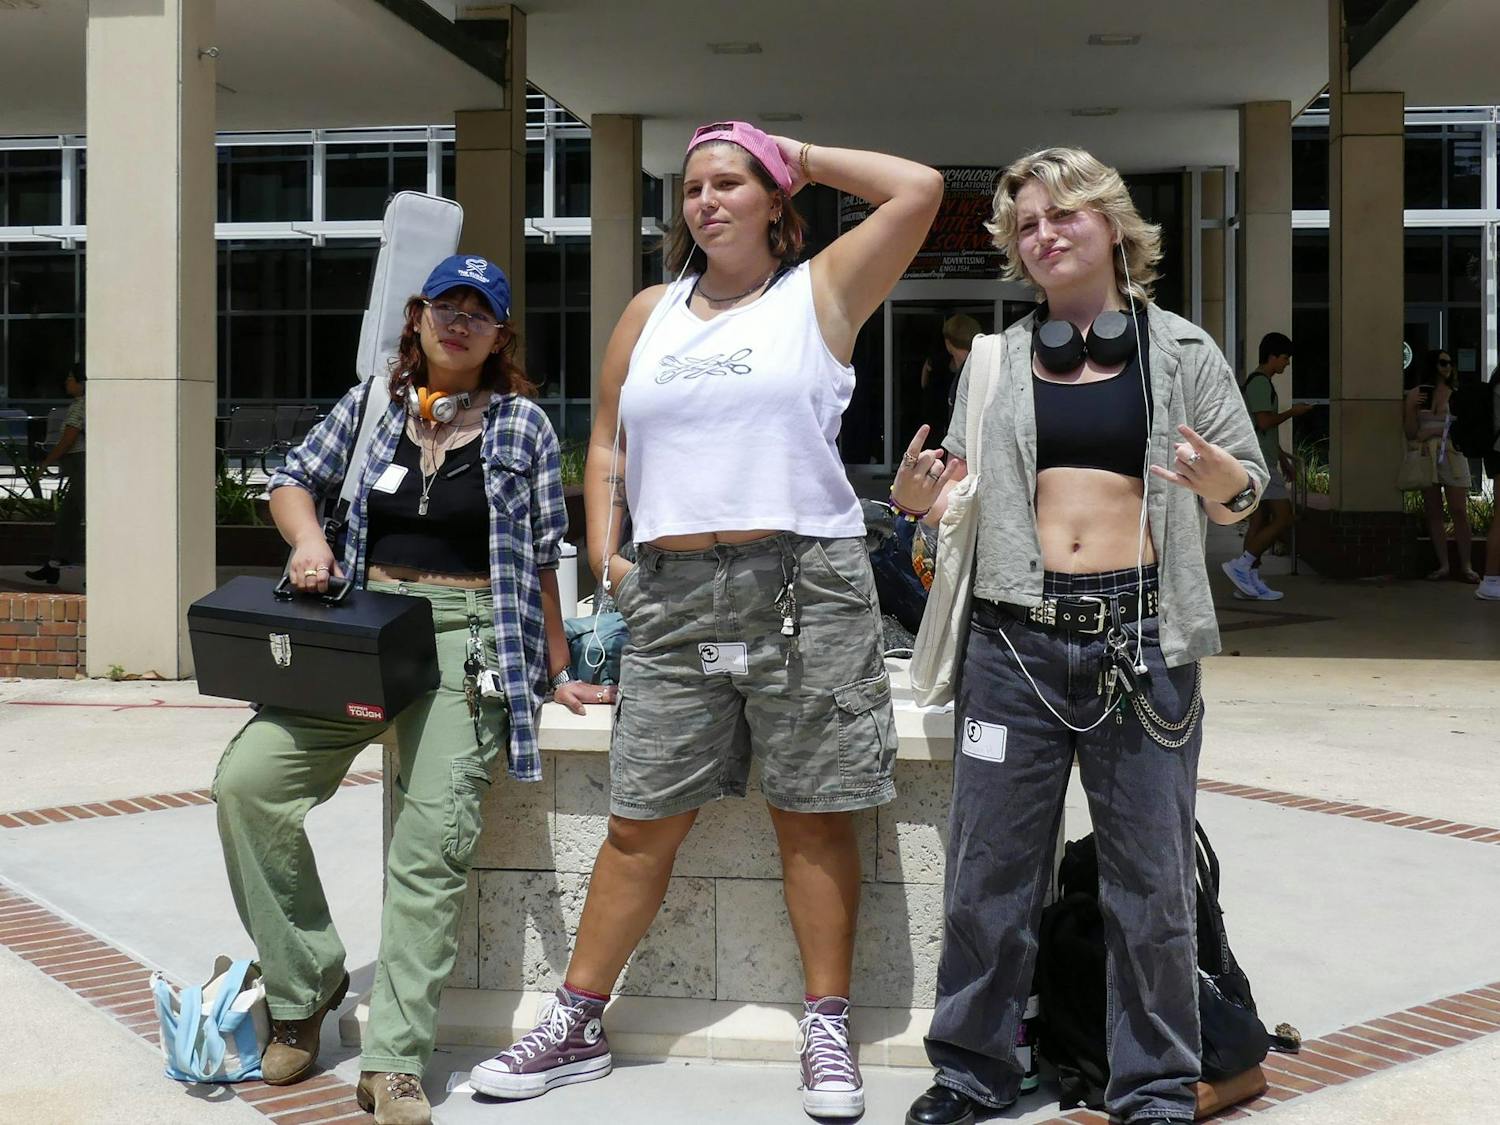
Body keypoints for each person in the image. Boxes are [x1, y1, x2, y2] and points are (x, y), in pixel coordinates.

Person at [470, 121, 943, 1120]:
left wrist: (802, 153)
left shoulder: (819, 291)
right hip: (673, 593)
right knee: (640, 818)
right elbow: (604, 449)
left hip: (803, 583)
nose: (707, 201)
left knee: (813, 817)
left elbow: (918, 189)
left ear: (775, 201)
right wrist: (607, 556)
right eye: (692, 188)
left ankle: (826, 1024)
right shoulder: (650, 311)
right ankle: (578, 1019)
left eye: (731, 183)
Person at [903, 147, 1266, 1125]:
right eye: (1026, 224)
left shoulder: (1183, 353)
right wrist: (920, 506)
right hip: (1014, 643)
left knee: (1149, 890)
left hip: (1143, 643)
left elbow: (1250, 489)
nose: (1045, 233)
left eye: (1063, 215)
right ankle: (970, 1074)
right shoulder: (996, 363)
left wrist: (1216, 481)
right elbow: (959, 508)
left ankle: (1152, 1088)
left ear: (1113, 226)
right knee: (988, 881)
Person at [211, 255, 604, 1125]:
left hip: (470, 641)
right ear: (417, 318)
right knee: (247, 785)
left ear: (500, 335)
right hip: (361, 629)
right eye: (444, 305)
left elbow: (543, 560)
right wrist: (310, 542)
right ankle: (304, 984)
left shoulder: (523, 428)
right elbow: (287, 481)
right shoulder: (368, 409)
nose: (458, 321)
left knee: (430, 848)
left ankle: (392, 1058)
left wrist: (562, 666)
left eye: (480, 311)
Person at [1221, 332, 1311, 601]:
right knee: (1284, 517)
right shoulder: (1260, 383)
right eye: (1285, 358)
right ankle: (1243, 565)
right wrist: (1292, 413)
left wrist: (1282, 458)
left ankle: (1247, 580)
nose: (1287, 364)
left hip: (1263, 460)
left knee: (1259, 520)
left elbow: (1261, 432)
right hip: (1260, 465)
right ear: (1272, 356)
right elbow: (1264, 423)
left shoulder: (1260, 382)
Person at [1402, 349, 1479, 582]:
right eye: (1443, 363)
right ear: (1432, 365)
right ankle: (1443, 565)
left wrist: (1435, 430)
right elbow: (1410, 433)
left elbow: (1464, 428)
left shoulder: (1457, 394)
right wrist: (1409, 406)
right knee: (1433, 511)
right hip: (1426, 455)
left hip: (1453, 454)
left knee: (1458, 510)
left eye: (1450, 363)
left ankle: (1466, 566)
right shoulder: (1419, 394)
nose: (1448, 367)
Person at [24, 366, 86, 586]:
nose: (66, 383)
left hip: (81, 467)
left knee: (88, 519)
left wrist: (46, 462)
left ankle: (97, 571)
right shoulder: (77, 405)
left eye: (70, 379)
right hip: (75, 468)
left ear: (82, 383)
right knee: (67, 519)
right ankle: (53, 566)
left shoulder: (82, 405)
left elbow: (69, 439)